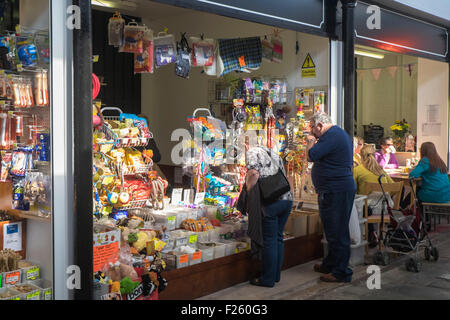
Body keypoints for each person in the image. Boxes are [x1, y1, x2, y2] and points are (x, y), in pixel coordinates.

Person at [306, 113, 355, 283]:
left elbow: (311, 155)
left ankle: (341, 271)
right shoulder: (335, 135)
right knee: (332, 230)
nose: (311, 131)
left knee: (338, 231)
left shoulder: (332, 136)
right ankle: (331, 264)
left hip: (336, 190)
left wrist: (310, 142)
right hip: (333, 190)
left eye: (312, 128)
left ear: (319, 125)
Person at [237, 144, 293, 288]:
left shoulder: (252, 152)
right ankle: (275, 276)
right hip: (286, 200)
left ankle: (267, 279)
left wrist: (248, 191)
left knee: (269, 240)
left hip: (272, 202)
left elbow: (254, 174)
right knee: (278, 238)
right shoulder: (272, 153)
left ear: (244, 145)